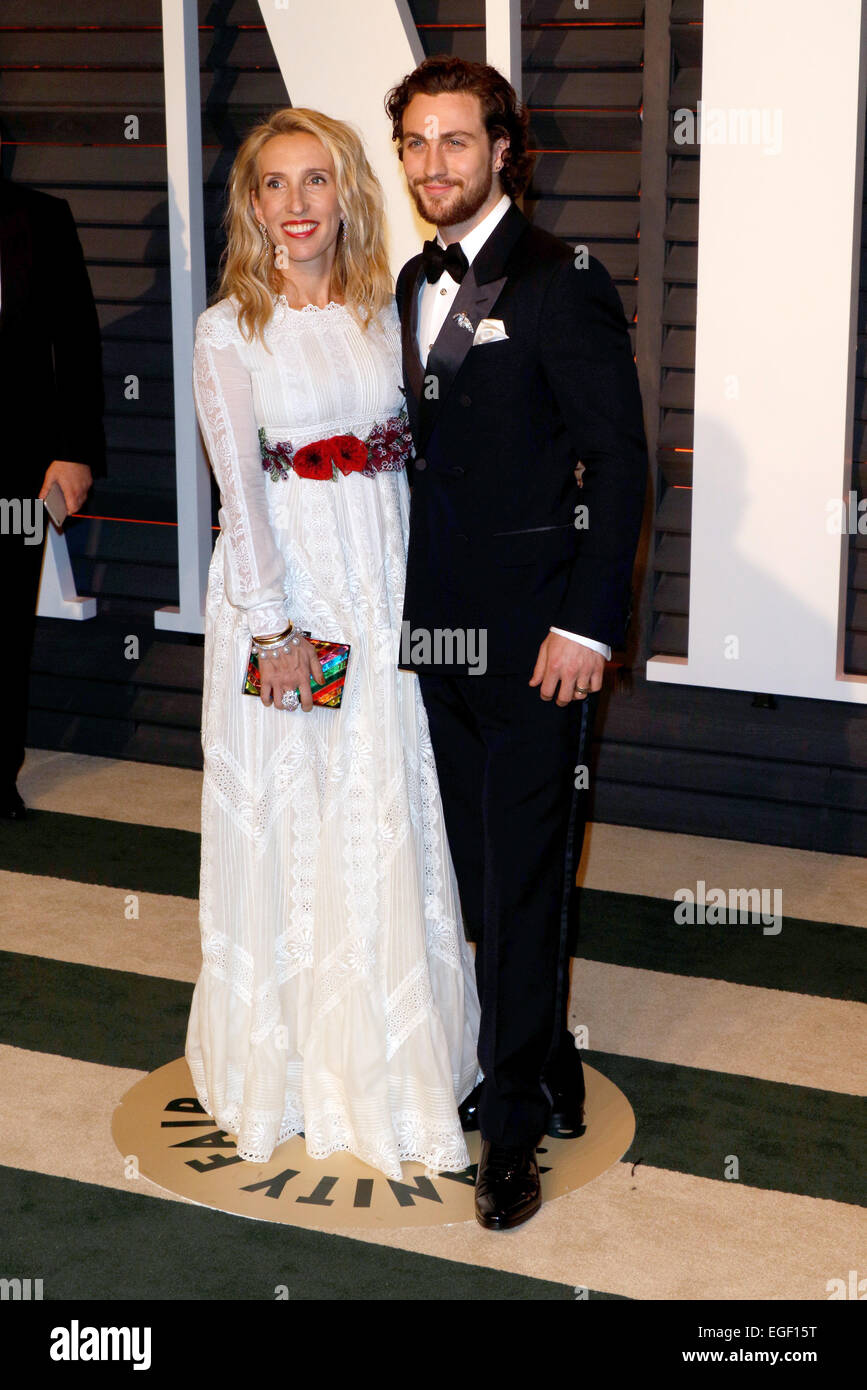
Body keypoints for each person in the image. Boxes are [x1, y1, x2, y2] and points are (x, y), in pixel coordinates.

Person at [185, 108, 481, 1180]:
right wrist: (276, 631)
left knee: (388, 807)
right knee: (301, 819)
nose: (296, 204)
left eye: (316, 182)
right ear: (250, 203)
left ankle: (403, 1059)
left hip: (384, 580)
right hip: (295, 601)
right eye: (274, 184)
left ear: (348, 195)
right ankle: (302, 1069)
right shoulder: (229, 328)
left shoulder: (378, 312)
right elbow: (239, 491)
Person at [387, 56, 648, 1228]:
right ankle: (547, 1060)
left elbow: (623, 462)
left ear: (506, 151)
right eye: (414, 144)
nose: (433, 164)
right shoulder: (406, 281)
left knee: (527, 875)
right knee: (482, 883)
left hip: (541, 639)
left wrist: (589, 620)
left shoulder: (561, 281)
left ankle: (509, 1133)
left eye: (456, 141)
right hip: (437, 634)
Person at [0, 147, 104, 818]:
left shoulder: (41, 219)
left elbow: (77, 339)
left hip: (15, 466)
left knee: (6, 616)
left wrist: (75, 451)